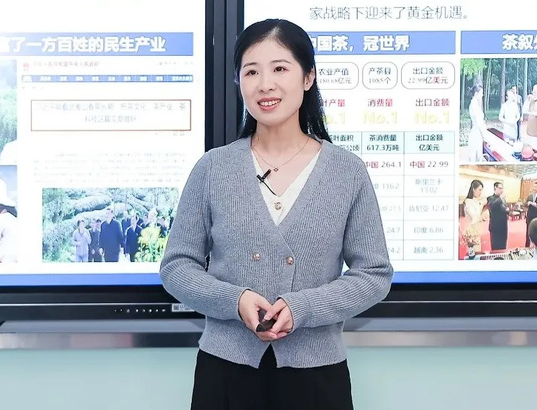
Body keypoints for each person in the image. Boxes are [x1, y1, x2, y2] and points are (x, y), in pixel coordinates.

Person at [159, 18, 393, 410]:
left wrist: (304, 308)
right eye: (251, 72)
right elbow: (177, 266)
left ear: (308, 77)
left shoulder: (347, 172)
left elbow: (374, 274)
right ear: (239, 83)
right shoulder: (213, 168)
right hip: (225, 372)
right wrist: (234, 300)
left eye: (280, 68)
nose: (265, 84)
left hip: (317, 375)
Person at [462, 179, 488, 253]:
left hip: (476, 229)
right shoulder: (468, 201)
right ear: (473, 189)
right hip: (471, 230)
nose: (480, 192)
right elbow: (475, 216)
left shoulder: (476, 200)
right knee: (473, 252)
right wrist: (482, 216)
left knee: (478, 250)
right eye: (479, 190)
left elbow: (479, 211)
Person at [487, 182, 508, 251]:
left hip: (503, 226)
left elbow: (504, 209)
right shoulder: (490, 198)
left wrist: (507, 210)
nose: (501, 190)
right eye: (500, 188)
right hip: (495, 227)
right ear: (495, 188)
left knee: (503, 246)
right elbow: (492, 206)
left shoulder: (503, 199)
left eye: (502, 188)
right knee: (495, 247)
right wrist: (501, 198)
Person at [467, 85, 485, 162]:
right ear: (477, 93)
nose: (482, 95)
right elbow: (478, 123)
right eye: (481, 93)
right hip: (476, 133)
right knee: (474, 158)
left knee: (478, 157)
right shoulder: (474, 105)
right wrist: (485, 135)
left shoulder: (475, 104)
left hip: (478, 133)